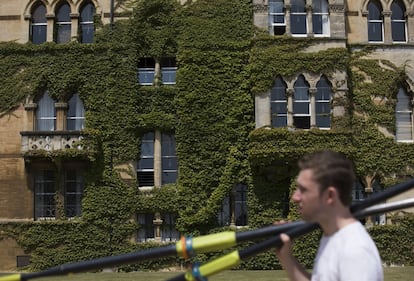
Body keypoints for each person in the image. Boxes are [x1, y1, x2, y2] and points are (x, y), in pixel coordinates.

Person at [275, 150, 383, 281]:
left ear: (330, 195)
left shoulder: (354, 250)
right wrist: (286, 258)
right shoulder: (333, 236)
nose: (295, 197)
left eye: (303, 190)